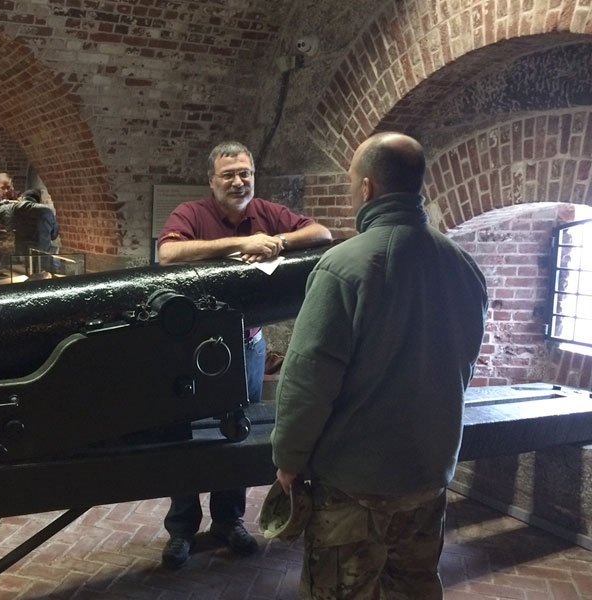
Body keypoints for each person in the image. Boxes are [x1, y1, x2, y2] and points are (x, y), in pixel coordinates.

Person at [271, 132, 488, 599]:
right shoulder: (464, 266)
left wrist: (288, 459)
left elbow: (308, 381)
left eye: (352, 181)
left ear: (366, 187)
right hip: (428, 473)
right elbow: (463, 365)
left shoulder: (342, 267)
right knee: (413, 588)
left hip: (354, 483)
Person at [156, 140, 332, 569]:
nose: (238, 182)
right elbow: (168, 253)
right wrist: (236, 245)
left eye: (245, 174)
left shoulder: (268, 214)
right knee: (187, 432)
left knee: (237, 429)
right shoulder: (192, 215)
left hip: (246, 344)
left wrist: (276, 241)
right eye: (229, 175)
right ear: (212, 181)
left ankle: (228, 519)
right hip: (195, 348)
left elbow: (321, 234)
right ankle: (182, 528)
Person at [0, 188, 58, 272]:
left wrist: (6, 202)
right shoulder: (47, 211)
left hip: (18, 259)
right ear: (38, 200)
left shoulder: (12, 208)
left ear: (23, 198)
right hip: (42, 260)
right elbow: (54, 235)